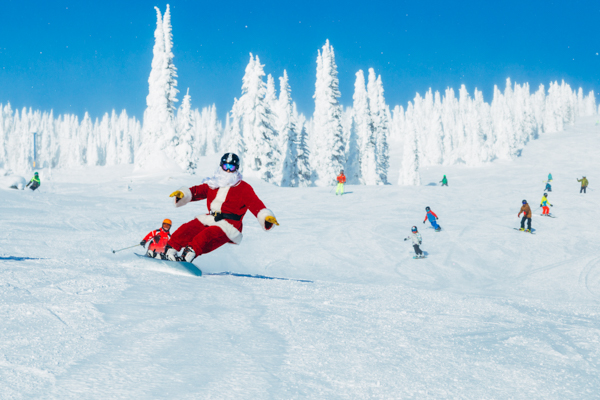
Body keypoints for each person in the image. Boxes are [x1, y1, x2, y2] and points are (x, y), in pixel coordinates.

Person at [164, 153, 279, 263]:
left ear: (236, 168)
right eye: (226, 166)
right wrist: (182, 194)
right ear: (221, 166)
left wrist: (266, 217)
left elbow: (255, 204)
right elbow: (197, 191)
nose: (228, 170)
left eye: (232, 167)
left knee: (205, 236)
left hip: (229, 225)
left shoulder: (243, 188)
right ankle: (169, 250)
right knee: (187, 228)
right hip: (211, 218)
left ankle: (187, 257)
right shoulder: (214, 183)